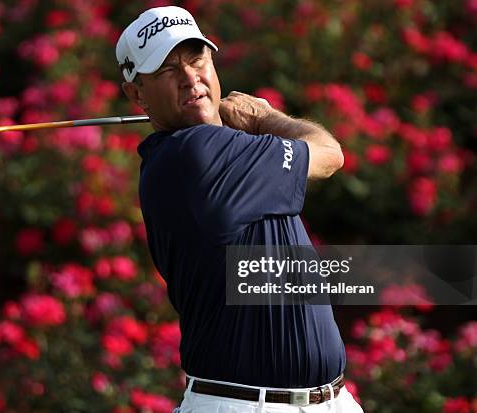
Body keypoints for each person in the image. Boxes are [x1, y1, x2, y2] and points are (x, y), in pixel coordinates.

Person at [116, 6, 364, 413]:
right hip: (244, 404)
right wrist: (266, 117)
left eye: (197, 60)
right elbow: (330, 154)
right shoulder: (194, 152)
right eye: (166, 70)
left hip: (331, 400)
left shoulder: (218, 152)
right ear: (136, 93)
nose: (190, 78)